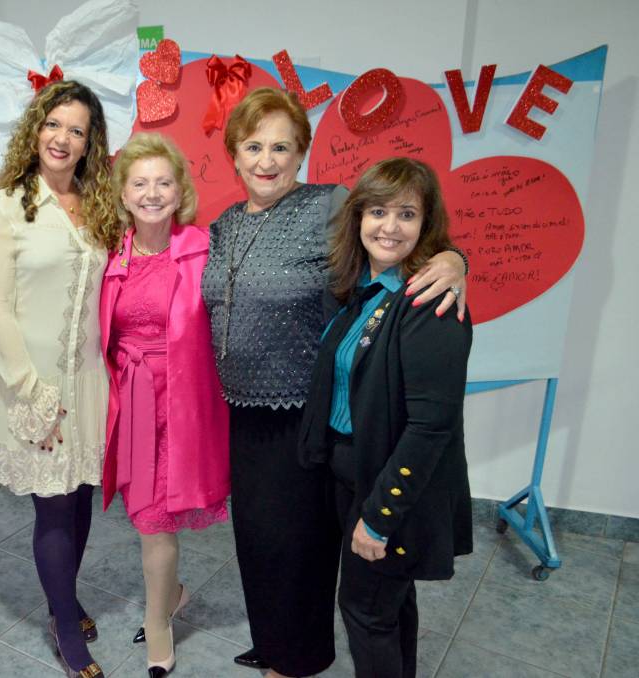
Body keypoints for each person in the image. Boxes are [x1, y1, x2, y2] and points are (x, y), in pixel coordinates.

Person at [200, 87, 469, 678]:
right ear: (234, 154)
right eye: (254, 147)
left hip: (306, 410)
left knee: (298, 545)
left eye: (281, 147)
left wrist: (455, 260)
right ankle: (275, 641)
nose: (266, 160)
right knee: (257, 538)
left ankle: (296, 656)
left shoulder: (328, 205)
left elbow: (396, 236)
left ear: (301, 153)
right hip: (242, 409)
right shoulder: (223, 225)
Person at [299, 157, 473, 677]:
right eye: (378, 211)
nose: (389, 227)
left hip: (386, 486)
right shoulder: (359, 287)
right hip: (349, 471)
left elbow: (430, 429)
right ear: (358, 216)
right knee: (390, 605)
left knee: (366, 611)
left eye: (406, 214)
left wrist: (378, 517)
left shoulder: (428, 304)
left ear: (426, 223)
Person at [0, 79, 118, 678]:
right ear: (36, 130)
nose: (62, 138)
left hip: (89, 379)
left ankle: (67, 599)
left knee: (80, 496)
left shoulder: (99, 204)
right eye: (53, 124)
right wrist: (31, 389)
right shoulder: (8, 204)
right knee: (54, 508)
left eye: (76, 130)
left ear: (90, 143)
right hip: (32, 383)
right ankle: (64, 625)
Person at [99, 133, 230, 677]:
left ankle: (158, 621)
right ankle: (171, 594)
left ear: (180, 192)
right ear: (123, 194)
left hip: (183, 403)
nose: (152, 193)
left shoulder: (204, 249)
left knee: (158, 520)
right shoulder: (112, 255)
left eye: (163, 182)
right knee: (145, 515)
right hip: (131, 400)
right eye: (140, 183)